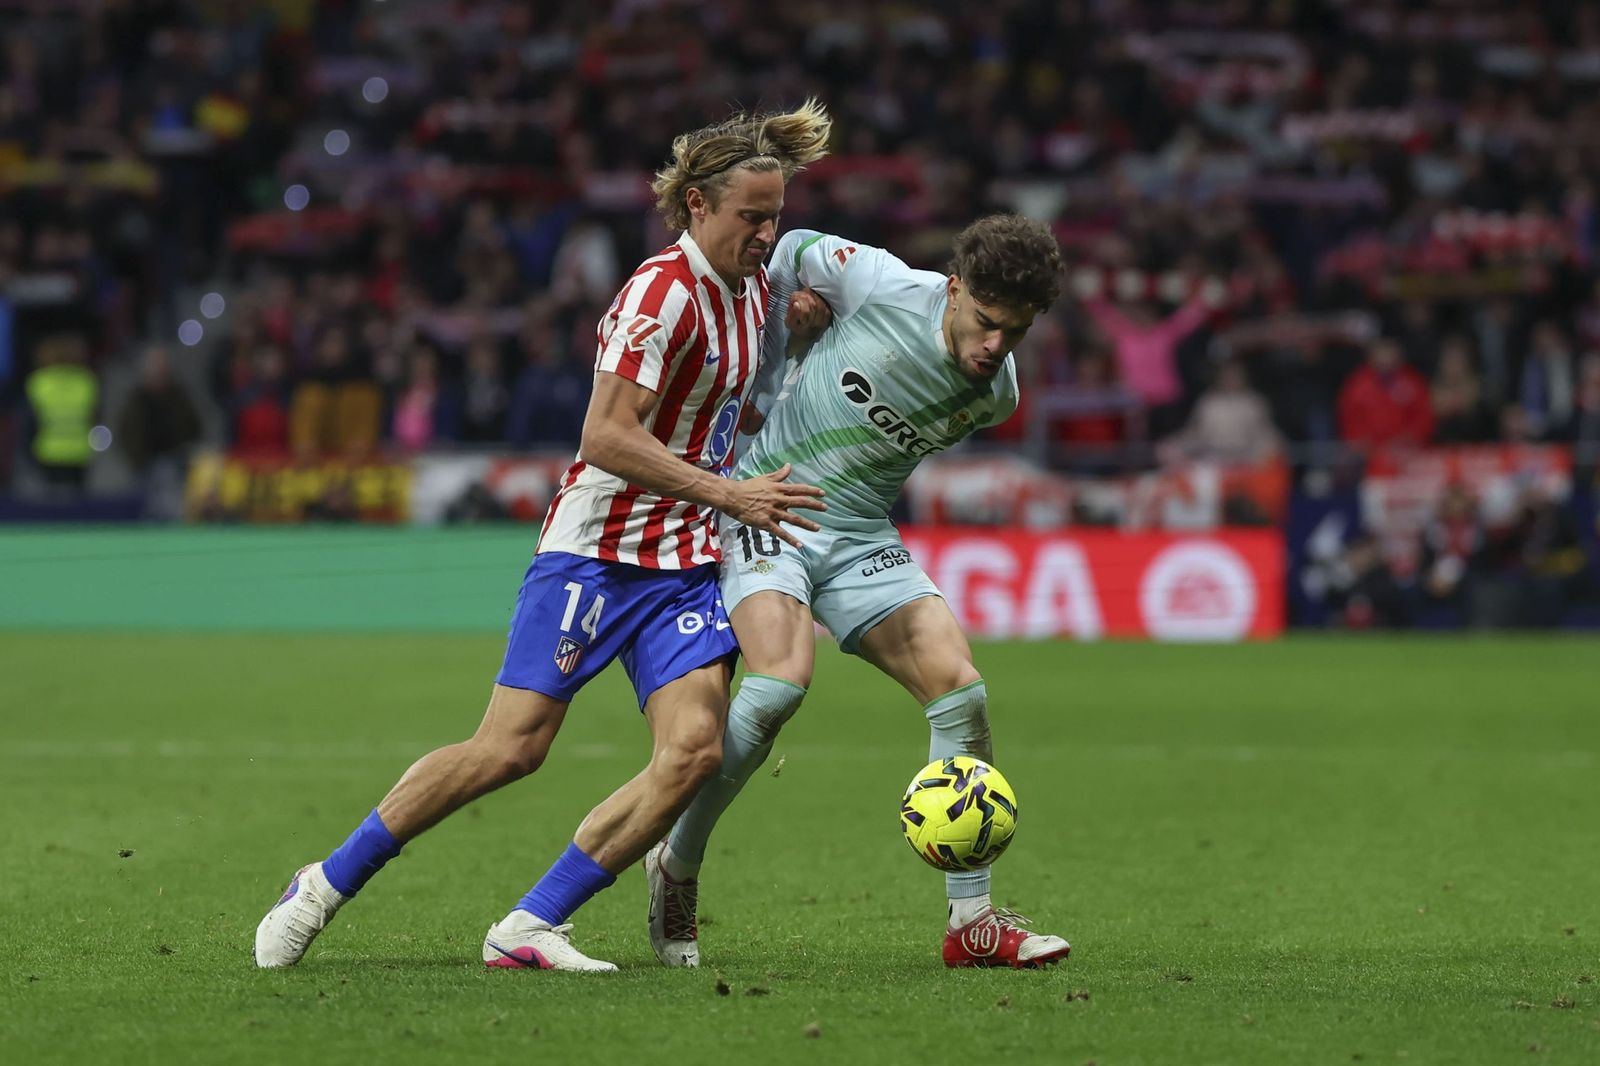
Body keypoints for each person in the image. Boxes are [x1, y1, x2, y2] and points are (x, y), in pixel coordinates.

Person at [253, 99, 833, 971]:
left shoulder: (752, 295)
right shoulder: (660, 294)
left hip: (682, 561)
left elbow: (722, 413)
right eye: (753, 217)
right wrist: (728, 494)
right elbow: (605, 435)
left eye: (775, 216)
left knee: (694, 753)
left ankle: (531, 924)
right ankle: (324, 883)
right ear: (697, 205)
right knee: (511, 749)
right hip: (596, 552)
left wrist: (795, 347)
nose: (767, 234)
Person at [646, 214, 1074, 970]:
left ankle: (971, 921)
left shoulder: (996, 396)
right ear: (953, 290)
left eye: (1016, 331)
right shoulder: (880, 282)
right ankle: (675, 862)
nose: (995, 345)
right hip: (771, 504)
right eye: (985, 321)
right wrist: (782, 343)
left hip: (860, 536)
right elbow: (787, 251)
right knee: (777, 686)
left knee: (962, 691)